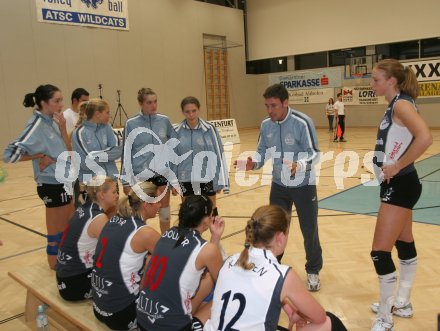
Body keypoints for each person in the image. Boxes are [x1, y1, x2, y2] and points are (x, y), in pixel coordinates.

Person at [235, 83, 322, 292]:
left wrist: (299, 165)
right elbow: (261, 152)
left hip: (303, 185)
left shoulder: (302, 122)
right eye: (267, 106)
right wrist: (252, 163)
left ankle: (313, 270)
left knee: (309, 229)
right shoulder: (266, 125)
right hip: (279, 185)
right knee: (274, 228)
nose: (270, 110)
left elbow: (315, 153)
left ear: (285, 103)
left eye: (274, 105)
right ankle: (272, 266)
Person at [204, 205, 347, 331]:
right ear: (280, 237)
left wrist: (290, 307)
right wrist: (299, 312)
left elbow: (260, 288)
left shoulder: (232, 259)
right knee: (329, 322)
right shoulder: (283, 275)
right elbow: (319, 317)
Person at [368, 59, 432, 331]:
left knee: (379, 253)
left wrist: (396, 165)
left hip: (401, 185)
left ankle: (385, 316)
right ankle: (402, 301)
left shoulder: (402, 105)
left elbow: (425, 138)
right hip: (400, 184)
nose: (372, 84)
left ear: (391, 81)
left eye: (375, 80)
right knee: (404, 245)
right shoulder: (395, 104)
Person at [3, 84, 74, 269]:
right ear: (43, 103)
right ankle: (54, 267)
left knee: (67, 227)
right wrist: (39, 155)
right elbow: (9, 155)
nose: (61, 104)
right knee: (55, 233)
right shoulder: (36, 124)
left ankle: (64, 263)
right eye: (56, 101)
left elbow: (68, 151)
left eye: (61, 100)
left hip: (64, 180)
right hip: (50, 183)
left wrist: (63, 128)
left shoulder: (54, 122)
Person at [136, 194, 225, 331]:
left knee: (206, 281)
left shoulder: (167, 233)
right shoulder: (207, 249)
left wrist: (215, 237)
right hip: (172, 327)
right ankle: (195, 324)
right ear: (206, 220)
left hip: (142, 322)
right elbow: (225, 283)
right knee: (223, 294)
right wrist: (216, 237)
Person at [91, 181, 161, 330]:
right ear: (146, 205)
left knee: (148, 259)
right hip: (121, 314)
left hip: (99, 307)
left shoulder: (113, 220)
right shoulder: (145, 233)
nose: (160, 205)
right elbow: (175, 261)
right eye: (157, 201)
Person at [120, 88, 176, 233]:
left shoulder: (164, 120)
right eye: (149, 102)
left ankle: (165, 240)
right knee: (141, 212)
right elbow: (126, 153)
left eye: (155, 101)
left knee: (164, 211)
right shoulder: (131, 123)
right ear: (140, 103)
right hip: (141, 176)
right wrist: (126, 181)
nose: (153, 105)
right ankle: (140, 241)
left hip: (162, 174)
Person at [56, 176, 118, 301]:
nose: (117, 195)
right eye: (114, 192)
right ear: (102, 195)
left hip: (64, 277)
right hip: (75, 284)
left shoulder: (84, 208)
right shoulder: (99, 218)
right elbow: (113, 252)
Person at [173, 96, 230, 215]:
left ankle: (215, 234)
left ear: (199, 110)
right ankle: (190, 234)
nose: (191, 114)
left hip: (206, 177)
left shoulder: (210, 129)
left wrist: (221, 181)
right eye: (187, 111)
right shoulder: (176, 131)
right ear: (183, 112)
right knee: (188, 213)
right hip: (185, 178)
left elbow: (219, 154)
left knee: (211, 211)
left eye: (194, 111)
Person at [71, 98, 122, 204]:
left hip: (111, 180)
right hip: (91, 184)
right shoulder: (79, 133)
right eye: (107, 112)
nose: (109, 115)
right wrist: (108, 153)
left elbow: (118, 150)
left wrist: (94, 155)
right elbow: (85, 163)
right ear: (98, 114)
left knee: (112, 217)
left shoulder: (107, 127)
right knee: (95, 217)